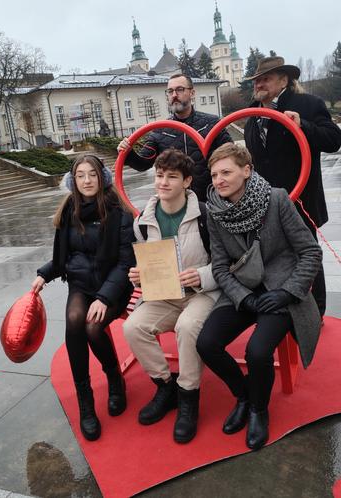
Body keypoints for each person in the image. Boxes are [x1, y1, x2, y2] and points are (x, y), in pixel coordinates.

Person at [195, 143, 322, 451]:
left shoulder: (276, 199)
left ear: (246, 170)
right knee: (206, 343)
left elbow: (309, 251)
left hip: (280, 289)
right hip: (243, 291)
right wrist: (243, 297)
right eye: (214, 174)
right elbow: (220, 267)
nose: (219, 180)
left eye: (226, 172)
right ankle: (244, 396)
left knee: (258, 351)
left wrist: (287, 292)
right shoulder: (215, 211)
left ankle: (258, 411)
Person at [32, 155, 136, 441]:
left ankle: (114, 378)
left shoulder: (118, 211)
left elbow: (126, 263)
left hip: (113, 286)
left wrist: (104, 298)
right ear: (73, 181)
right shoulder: (69, 210)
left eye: (92, 174)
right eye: (81, 176)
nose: (87, 180)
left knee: (93, 326)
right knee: (75, 319)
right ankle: (85, 400)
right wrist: (44, 274)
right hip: (80, 283)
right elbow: (63, 257)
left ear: (102, 177)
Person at [123, 148, 220, 444]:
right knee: (133, 327)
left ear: (187, 181)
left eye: (172, 177)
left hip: (201, 293)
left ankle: (189, 396)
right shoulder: (143, 220)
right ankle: (166, 386)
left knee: (188, 327)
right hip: (164, 295)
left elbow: (228, 261)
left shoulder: (205, 214)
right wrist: (138, 273)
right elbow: (145, 259)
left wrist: (202, 275)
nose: (163, 182)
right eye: (160, 175)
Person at [243, 56, 341, 317]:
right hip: (267, 204)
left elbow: (333, 140)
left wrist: (304, 126)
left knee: (308, 253)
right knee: (276, 256)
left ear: (284, 79)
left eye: (266, 78)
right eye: (257, 80)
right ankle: (283, 306)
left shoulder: (307, 105)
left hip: (301, 199)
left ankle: (317, 310)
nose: (259, 84)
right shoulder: (252, 115)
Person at [117, 73, 233, 202]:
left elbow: (232, 157)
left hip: (213, 201)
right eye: (170, 91)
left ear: (192, 93)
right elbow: (143, 163)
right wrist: (128, 153)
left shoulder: (211, 123)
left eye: (179, 89)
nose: (174, 95)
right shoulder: (160, 130)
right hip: (178, 205)